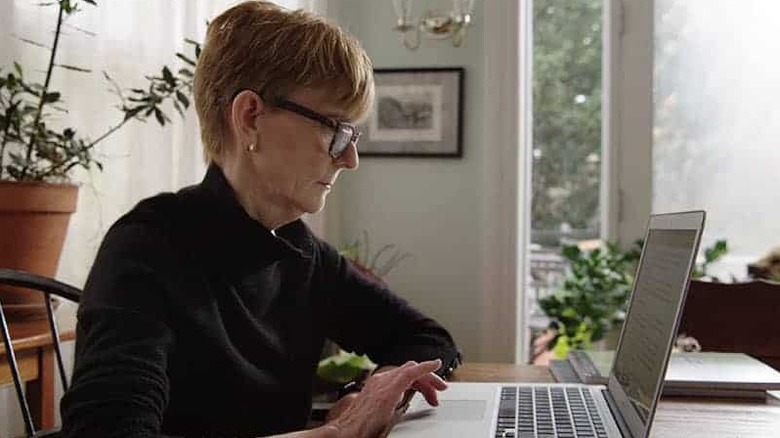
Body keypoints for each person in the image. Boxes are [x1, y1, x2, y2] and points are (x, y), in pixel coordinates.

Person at [59, 2, 461, 437]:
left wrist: (369, 391)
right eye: (335, 129)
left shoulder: (302, 254)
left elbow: (429, 340)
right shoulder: (146, 250)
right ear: (250, 117)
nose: (350, 158)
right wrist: (331, 435)